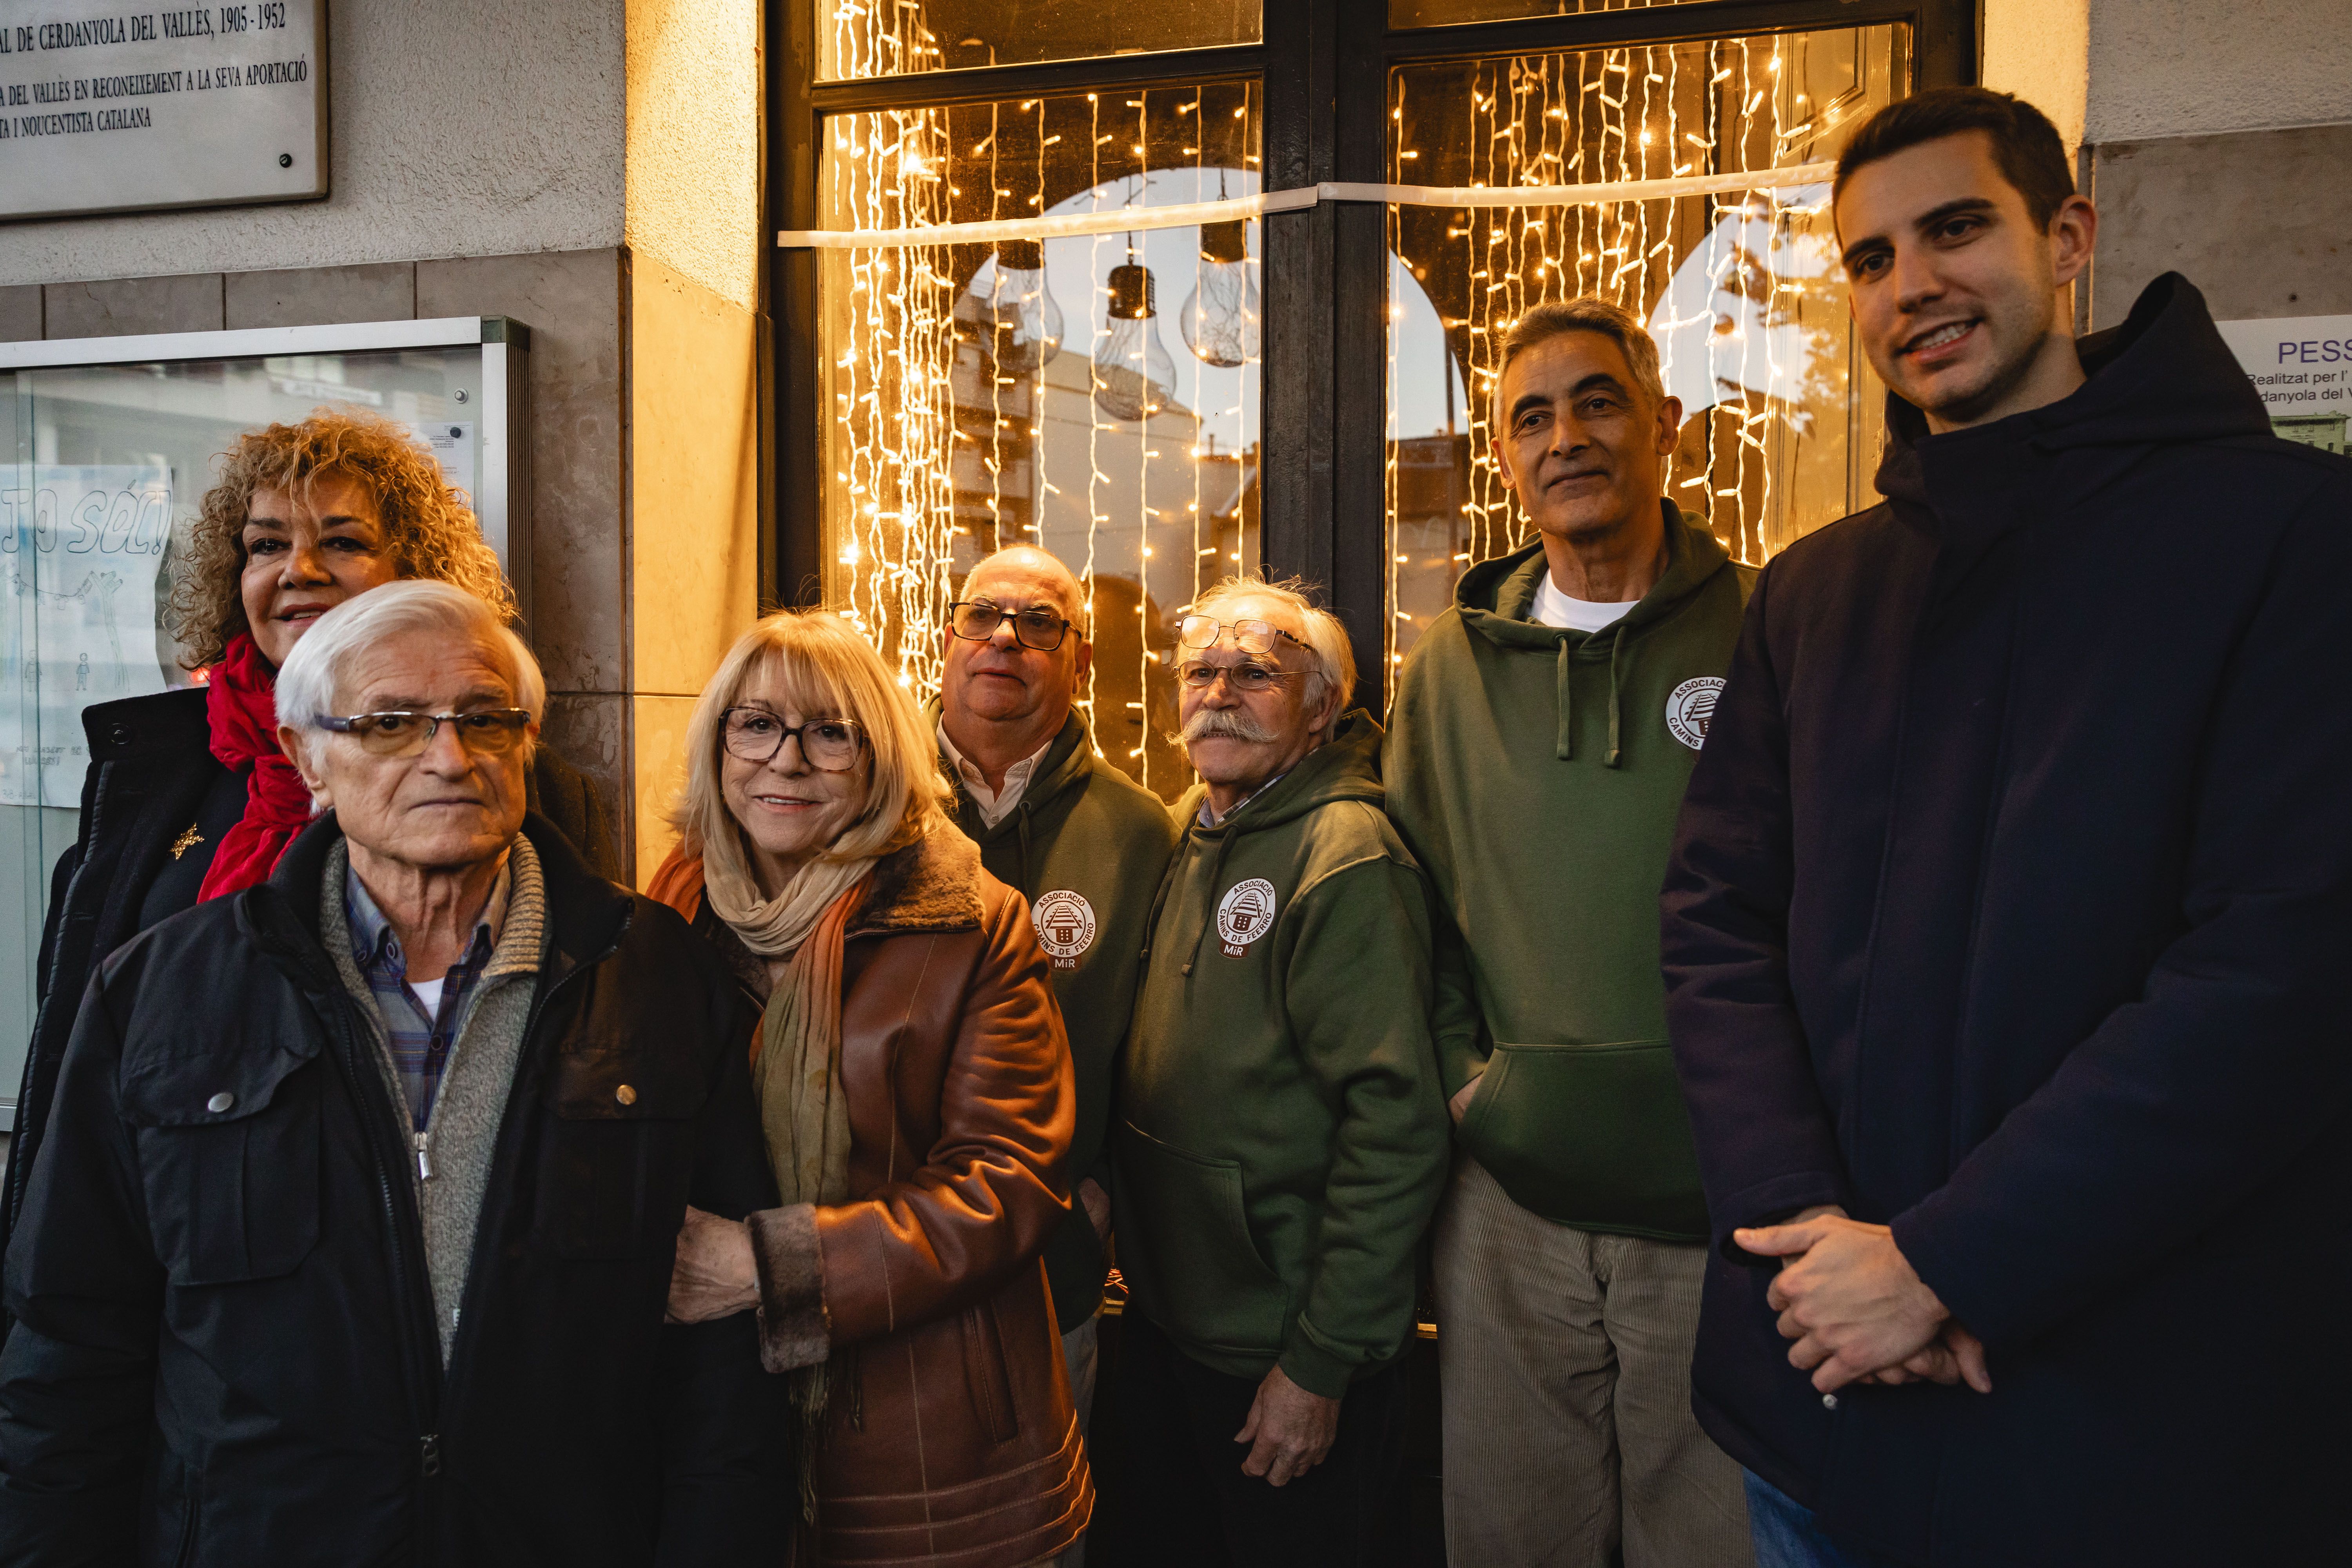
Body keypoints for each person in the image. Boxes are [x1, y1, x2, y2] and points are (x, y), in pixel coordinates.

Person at [1661, 87, 2352, 1568]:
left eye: (1957, 228)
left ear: (2070, 238)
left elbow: (2285, 970)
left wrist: (1948, 1265)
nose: (1911, 284)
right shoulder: (1815, 590)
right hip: (1820, 1410)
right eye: (1870, 258)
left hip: (2130, 1436)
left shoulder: (2295, 538)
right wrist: (1805, 1237)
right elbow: (1715, 923)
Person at [0, 582, 788, 1562]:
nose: (449, 757)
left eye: (485, 719)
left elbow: (723, 1362)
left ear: (528, 741)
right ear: (307, 758)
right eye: (390, 723)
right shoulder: (162, 994)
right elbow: (71, 1348)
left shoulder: (657, 975)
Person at [3, 409, 617, 1287]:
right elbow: (76, 1059)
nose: (299, 570)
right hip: (176, 1246)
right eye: (267, 544)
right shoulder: (149, 781)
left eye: (343, 541)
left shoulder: (512, 785)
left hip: (420, 1254)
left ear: (414, 572)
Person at [1384, 298, 1755, 1567]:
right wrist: (1470, 1085)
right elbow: (1415, 905)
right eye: (1531, 418)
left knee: (1710, 1545)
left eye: (1598, 403)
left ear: (1666, 424)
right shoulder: (1447, 668)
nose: (1567, 438)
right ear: (1504, 459)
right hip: (1512, 1210)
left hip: (1721, 1205)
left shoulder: (1771, 629)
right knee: (1513, 1540)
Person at [653, 609, 1090, 1568]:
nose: (787, 759)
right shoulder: (673, 903)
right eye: (756, 724)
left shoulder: (975, 921)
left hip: (925, 1425)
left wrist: (773, 1267)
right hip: (716, 1425)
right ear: (718, 742)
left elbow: (1007, 1181)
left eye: (830, 732)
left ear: (880, 754)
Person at [1109, 577, 1449, 1568]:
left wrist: (1320, 1363)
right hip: (1171, 1323)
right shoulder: (1192, 821)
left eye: (1255, 674)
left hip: (1282, 1350)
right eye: (1200, 671)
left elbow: (1395, 1129)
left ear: (1321, 706)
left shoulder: (1347, 854)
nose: (1218, 694)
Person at [932, 544, 1180, 1559]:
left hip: (1052, 1273)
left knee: (1037, 1539)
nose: (1005, 637)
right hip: (875, 1262)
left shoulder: (1139, 832)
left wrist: (1105, 1185)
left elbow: (1160, 1038)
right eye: (983, 614)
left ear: (1079, 662)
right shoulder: (872, 804)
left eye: (1039, 623)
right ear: (947, 642)